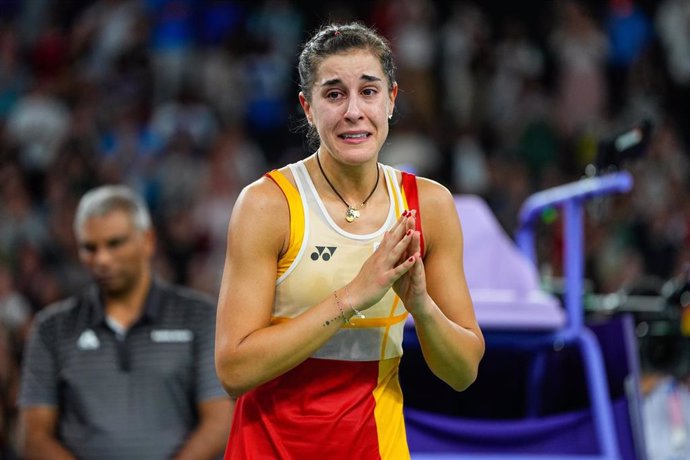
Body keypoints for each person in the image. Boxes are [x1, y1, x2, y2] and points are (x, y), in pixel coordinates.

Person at [214, 21, 485, 459]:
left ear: (392, 100)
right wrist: (353, 296)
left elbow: (464, 371)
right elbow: (233, 369)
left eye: (369, 91)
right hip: (267, 448)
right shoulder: (267, 205)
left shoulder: (429, 205)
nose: (354, 111)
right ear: (307, 107)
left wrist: (421, 306)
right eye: (334, 93)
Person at [17, 185, 233, 459]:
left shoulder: (199, 316)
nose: (102, 259)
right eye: (89, 247)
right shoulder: (51, 328)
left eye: (115, 243)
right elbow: (34, 436)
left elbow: (218, 422)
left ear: (148, 240)